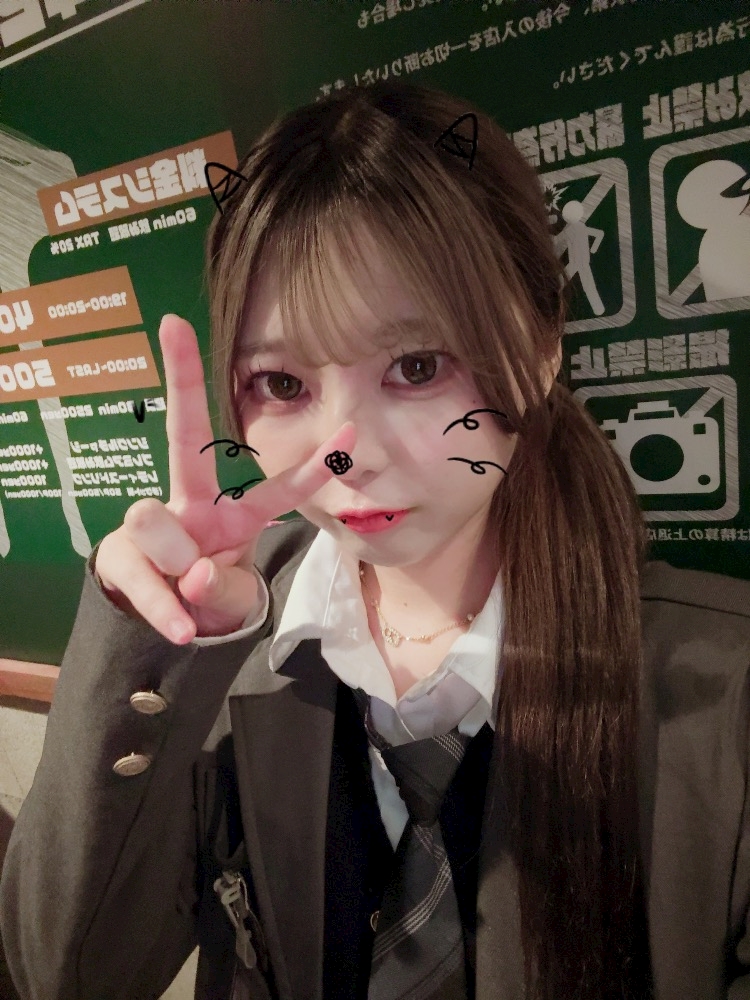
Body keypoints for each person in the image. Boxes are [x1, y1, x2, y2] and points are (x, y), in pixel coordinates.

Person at [1, 79, 749, 1000]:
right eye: (282, 385)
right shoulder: (230, 640)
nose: (344, 453)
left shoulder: (724, 696)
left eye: (417, 367)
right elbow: (66, 975)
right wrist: (153, 638)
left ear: (542, 345)